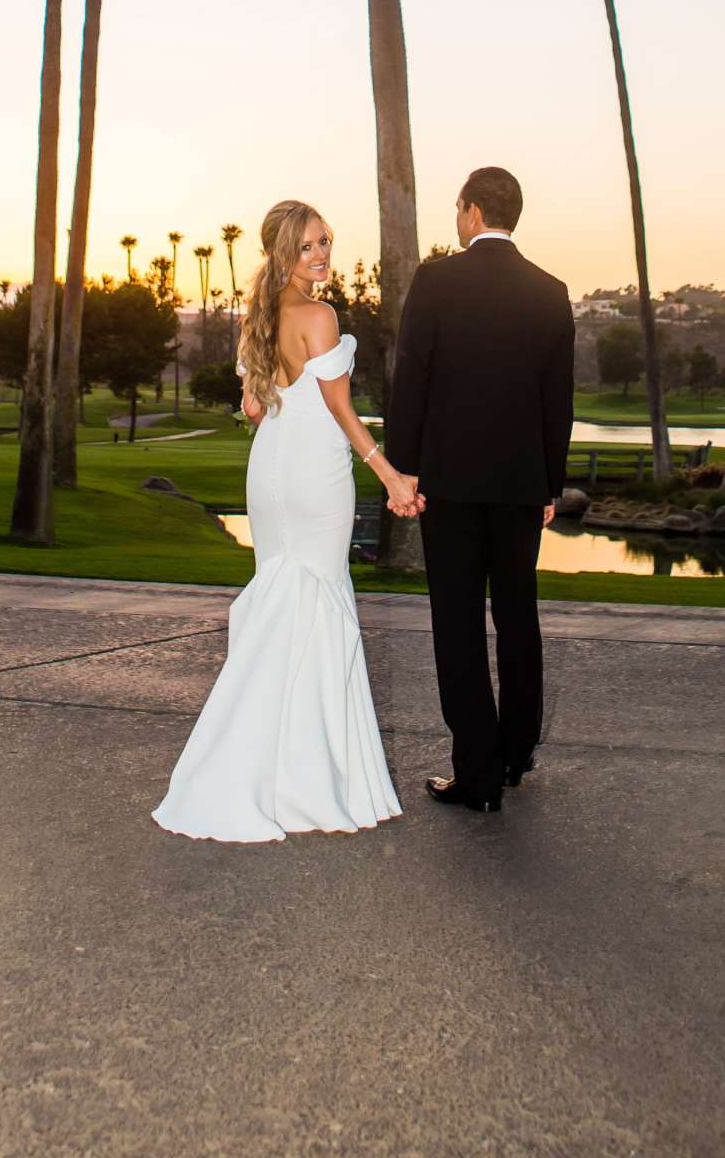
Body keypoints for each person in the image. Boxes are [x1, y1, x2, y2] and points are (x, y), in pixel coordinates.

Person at [152, 200, 418, 842]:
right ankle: (308, 778)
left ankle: (273, 766)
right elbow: (337, 407)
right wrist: (389, 474)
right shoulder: (319, 316)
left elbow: (251, 408)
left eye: (325, 241)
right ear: (281, 253)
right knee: (317, 604)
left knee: (286, 599)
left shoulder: (262, 316)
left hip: (270, 471)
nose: (322, 254)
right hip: (312, 476)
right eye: (307, 247)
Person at [387, 165, 575, 814]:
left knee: (459, 625)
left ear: (471, 213)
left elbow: (411, 375)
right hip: (523, 485)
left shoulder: (437, 280)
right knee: (518, 618)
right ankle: (517, 755)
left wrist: (403, 468)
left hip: (453, 486)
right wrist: (551, 483)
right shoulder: (551, 292)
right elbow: (559, 403)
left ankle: (477, 773)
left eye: (457, 207)